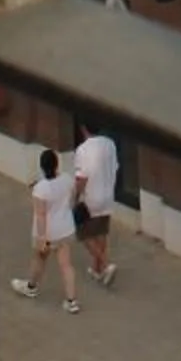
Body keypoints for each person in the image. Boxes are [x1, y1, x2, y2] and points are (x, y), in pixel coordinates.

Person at [10, 146, 81, 313]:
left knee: (39, 259)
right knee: (66, 265)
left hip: (48, 233)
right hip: (65, 229)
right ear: (57, 165)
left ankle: (31, 286)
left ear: (42, 167)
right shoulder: (67, 179)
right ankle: (72, 301)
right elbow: (72, 199)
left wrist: (42, 237)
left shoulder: (40, 189)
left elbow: (41, 215)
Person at [70, 124, 121, 290]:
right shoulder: (110, 143)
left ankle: (106, 265)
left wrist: (75, 199)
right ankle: (97, 269)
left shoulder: (83, 149)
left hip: (92, 196)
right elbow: (115, 168)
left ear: (83, 128)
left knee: (83, 232)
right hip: (108, 194)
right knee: (101, 231)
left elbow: (81, 179)